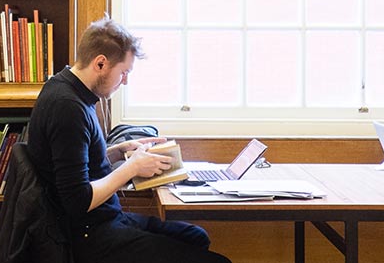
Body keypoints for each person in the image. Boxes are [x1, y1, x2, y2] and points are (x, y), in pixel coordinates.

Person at [27, 16, 231, 263]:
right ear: (100, 63)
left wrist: (117, 151)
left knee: (195, 236)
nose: (125, 81)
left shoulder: (65, 87)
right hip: (89, 235)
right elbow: (77, 201)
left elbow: (76, 158)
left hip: (104, 220)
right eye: (124, 72)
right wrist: (131, 167)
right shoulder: (68, 108)